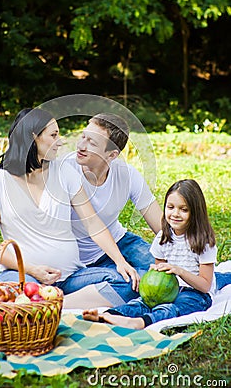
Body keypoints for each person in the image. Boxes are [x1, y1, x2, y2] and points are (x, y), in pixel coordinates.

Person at [0, 108, 140, 309]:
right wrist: (33, 270)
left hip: (71, 277)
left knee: (128, 283)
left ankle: (52, 305)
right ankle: (45, 304)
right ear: (33, 137)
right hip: (23, 275)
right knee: (14, 297)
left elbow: (92, 223)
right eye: (54, 135)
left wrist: (120, 261)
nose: (61, 141)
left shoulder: (65, 172)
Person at [64, 113, 230, 294]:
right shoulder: (66, 170)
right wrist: (120, 262)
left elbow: (158, 221)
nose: (81, 146)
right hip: (81, 257)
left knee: (167, 272)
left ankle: (217, 278)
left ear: (112, 155)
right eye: (83, 137)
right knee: (138, 282)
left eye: (93, 143)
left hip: (120, 241)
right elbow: (91, 225)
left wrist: (186, 250)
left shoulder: (127, 174)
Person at [83, 179, 218, 328]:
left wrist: (179, 271)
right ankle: (110, 315)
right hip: (168, 291)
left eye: (183, 209)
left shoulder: (204, 243)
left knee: (172, 308)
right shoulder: (162, 238)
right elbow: (158, 272)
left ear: (196, 212)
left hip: (196, 294)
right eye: (170, 207)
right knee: (140, 302)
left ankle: (140, 322)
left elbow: (205, 285)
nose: (175, 214)